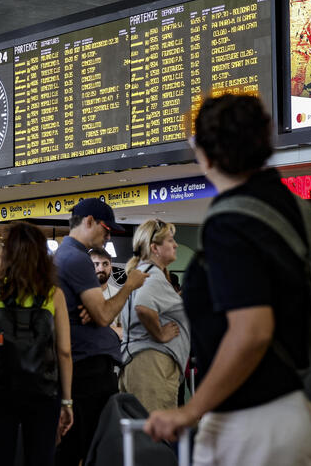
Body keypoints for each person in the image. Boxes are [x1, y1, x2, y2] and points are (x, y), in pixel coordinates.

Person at [144, 94, 311, 465]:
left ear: (204, 153)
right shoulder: (302, 213)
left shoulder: (230, 222)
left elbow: (251, 331)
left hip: (261, 422)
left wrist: (190, 411)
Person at [54, 198, 148, 466]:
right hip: (89, 370)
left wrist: (94, 311)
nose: (108, 237)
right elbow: (105, 314)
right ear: (89, 222)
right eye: (106, 230)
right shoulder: (77, 258)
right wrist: (129, 285)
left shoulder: (63, 256)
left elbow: (95, 313)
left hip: (82, 367)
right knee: (94, 449)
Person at [0, 221, 73, 466]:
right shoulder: (53, 294)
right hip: (43, 391)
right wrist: (67, 401)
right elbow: (64, 352)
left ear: (8, 254)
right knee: (41, 457)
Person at [118, 219, 190, 413]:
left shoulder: (144, 273)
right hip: (151, 366)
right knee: (153, 437)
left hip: (142, 364)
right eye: (170, 240)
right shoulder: (152, 276)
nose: (175, 245)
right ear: (154, 248)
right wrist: (160, 334)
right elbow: (143, 306)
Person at [89, 247, 123, 340]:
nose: (101, 268)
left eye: (105, 264)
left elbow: (124, 331)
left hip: (112, 350)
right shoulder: (79, 294)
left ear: (110, 267)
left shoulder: (119, 295)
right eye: (96, 264)